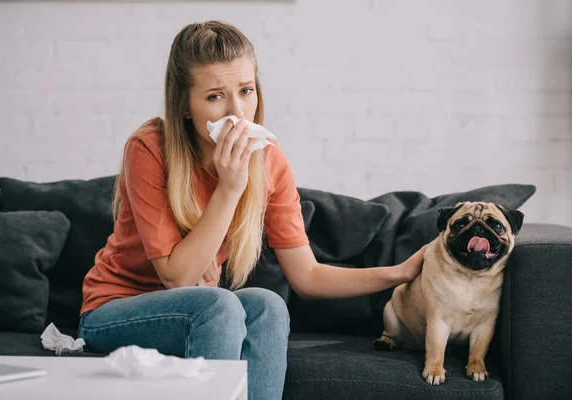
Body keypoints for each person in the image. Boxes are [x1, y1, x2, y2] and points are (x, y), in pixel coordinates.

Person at [78, 20, 426, 400]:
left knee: (267, 305)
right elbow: (178, 278)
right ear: (184, 106)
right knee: (218, 304)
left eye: (246, 91)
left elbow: (307, 277)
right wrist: (229, 188)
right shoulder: (149, 149)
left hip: (199, 312)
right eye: (215, 97)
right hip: (114, 310)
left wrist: (399, 273)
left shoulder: (269, 161)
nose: (238, 112)